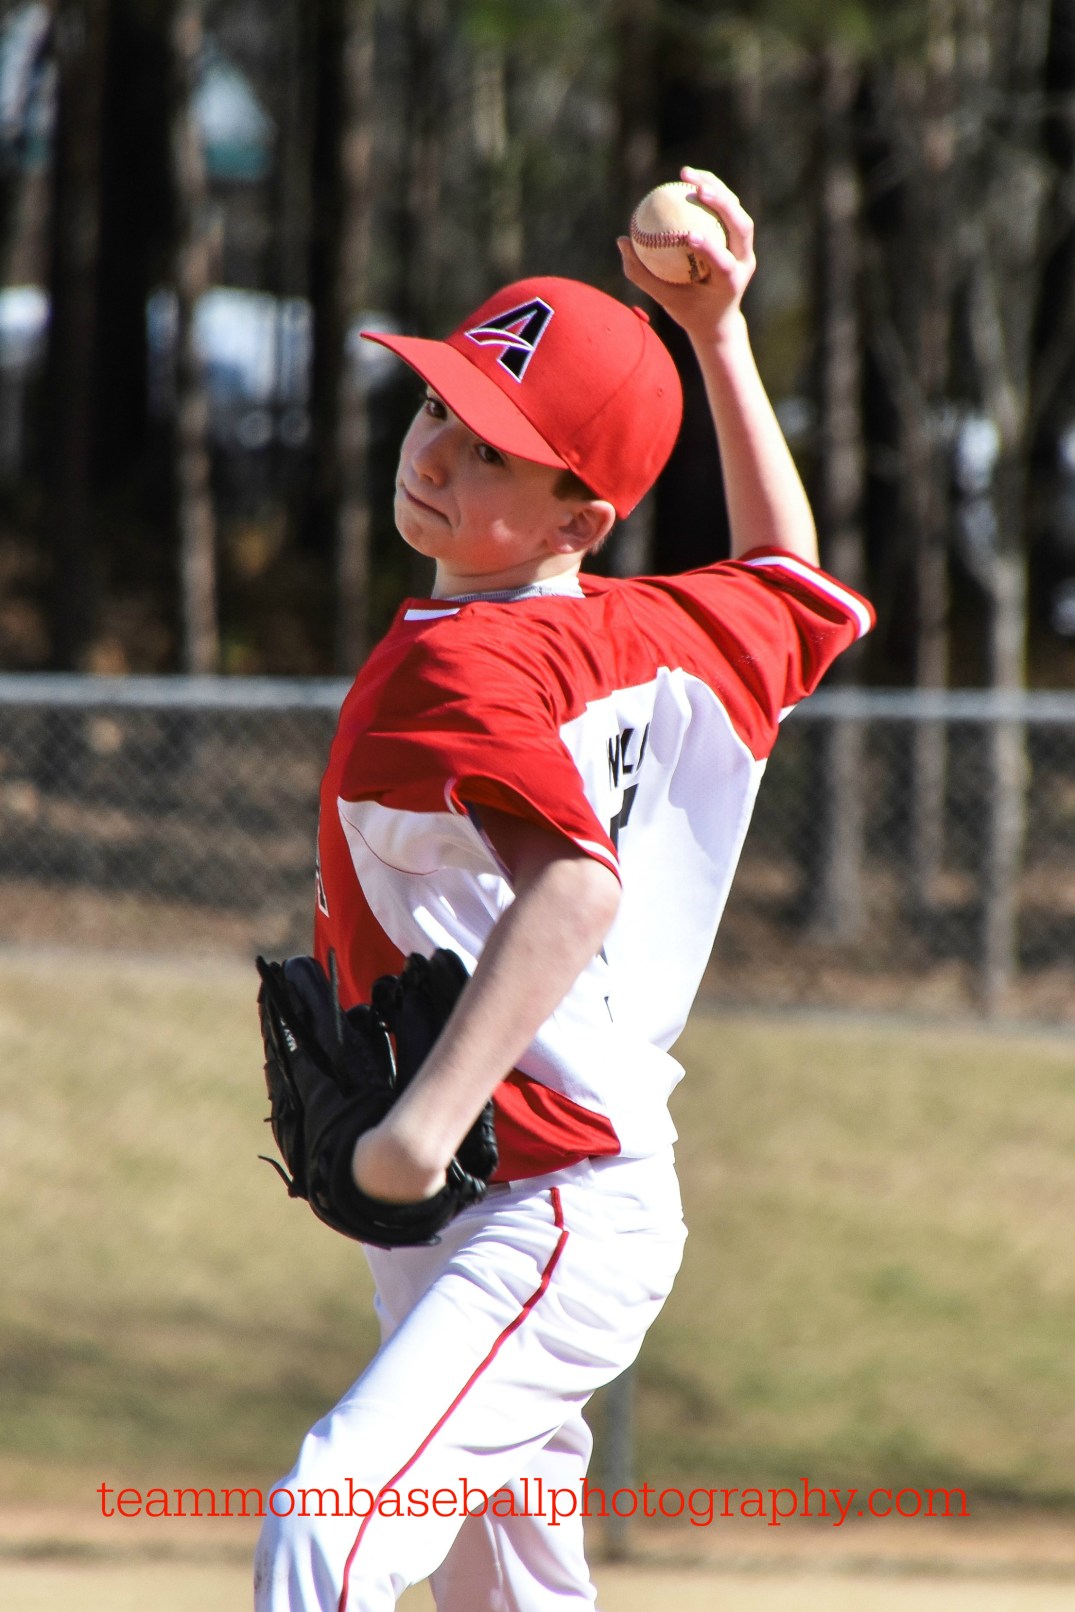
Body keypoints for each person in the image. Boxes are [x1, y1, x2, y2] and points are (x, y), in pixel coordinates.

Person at [254, 167, 874, 1612]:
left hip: (539, 1195)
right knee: (512, 1593)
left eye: (491, 452)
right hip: (523, 1195)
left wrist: (420, 1121)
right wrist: (720, 338)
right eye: (439, 411)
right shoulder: (651, 629)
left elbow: (574, 891)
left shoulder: (453, 667)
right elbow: (788, 568)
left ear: (574, 522)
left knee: (325, 1519)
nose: (435, 452)